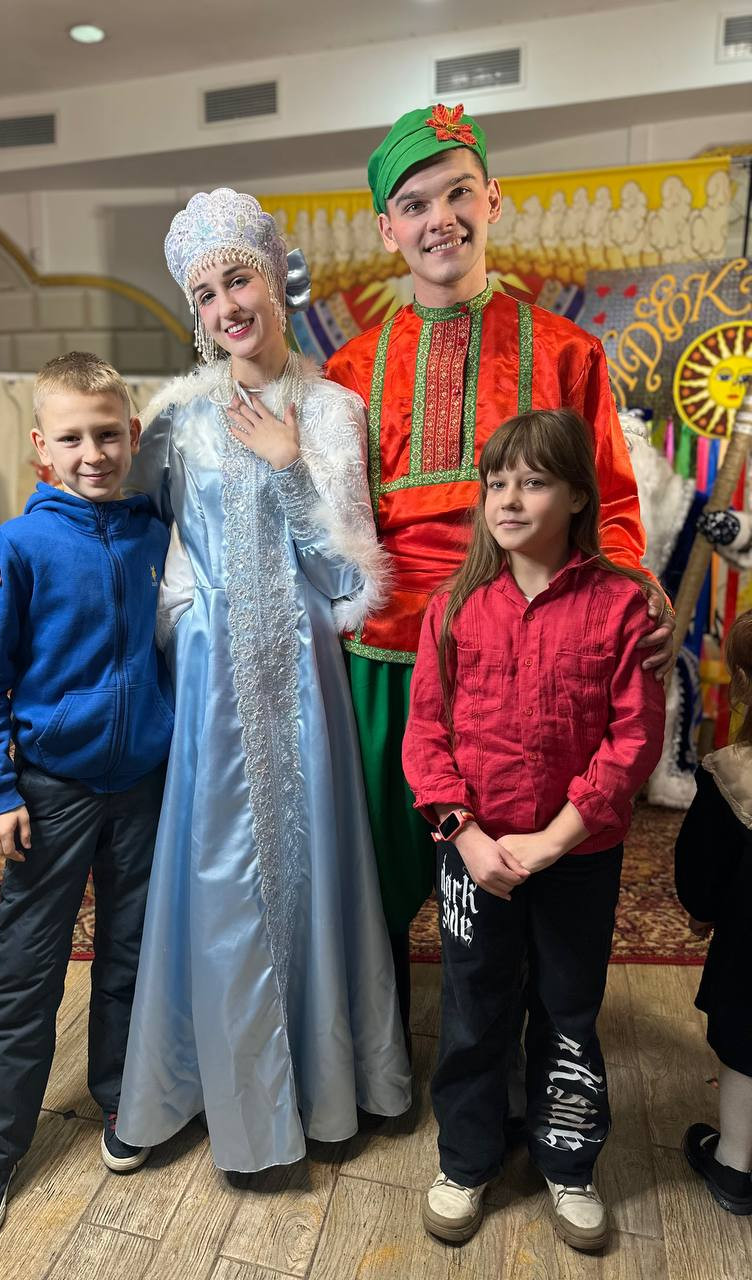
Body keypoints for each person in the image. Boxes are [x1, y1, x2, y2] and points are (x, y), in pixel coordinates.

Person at [0, 189, 411, 1174]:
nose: (225, 307)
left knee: (307, 876)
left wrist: (290, 467)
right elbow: (98, 505)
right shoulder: (175, 418)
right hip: (204, 686)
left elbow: (350, 583)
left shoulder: (333, 411)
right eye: (205, 294)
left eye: (237, 280)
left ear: (275, 279)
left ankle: (317, 1088)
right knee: (213, 883)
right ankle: (208, 1085)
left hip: (302, 685)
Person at [324, 103, 674, 1030]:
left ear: (493, 199)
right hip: (383, 657)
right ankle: (375, 1062)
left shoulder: (567, 352)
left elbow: (611, 509)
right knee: (372, 877)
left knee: (519, 877)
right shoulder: (347, 372)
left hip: (525, 658)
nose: (439, 219)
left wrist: (637, 597)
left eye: (457, 194)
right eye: (414, 205)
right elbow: (312, 520)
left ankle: (521, 1065)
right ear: (386, 229)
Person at [402, 408, 665, 1251]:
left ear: (579, 496)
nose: (509, 499)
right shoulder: (453, 608)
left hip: (577, 854)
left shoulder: (622, 608)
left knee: (567, 1007)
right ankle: (466, 1159)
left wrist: (554, 840)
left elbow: (632, 739)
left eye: (534, 482)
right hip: (473, 854)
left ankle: (569, 1162)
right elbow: (426, 735)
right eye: (497, 483)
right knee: (474, 1009)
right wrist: (467, 837)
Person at [0, 354, 173, 1251]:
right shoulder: (16, 548)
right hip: (50, 790)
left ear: (134, 435)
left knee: (133, 953)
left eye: (108, 434)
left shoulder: (160, 532)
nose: (93, 454)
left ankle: (122, 1094)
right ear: (42, 446)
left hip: (145, 784)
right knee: (24, 969)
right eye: (72, 438)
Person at [676, 608, 752, 1217]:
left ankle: (734, 1164)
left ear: (742, 683)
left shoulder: (733, 776)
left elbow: (701, 874)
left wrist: (702, 912)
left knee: (745, 1048)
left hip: (749, 959)